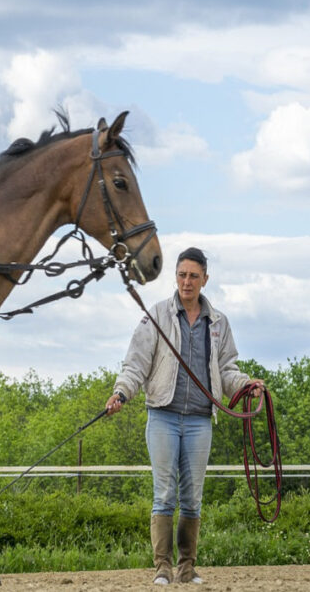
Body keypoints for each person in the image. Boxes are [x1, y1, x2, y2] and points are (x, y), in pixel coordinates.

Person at [105, 247, 263, 585]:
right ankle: (162, 566)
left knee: (192, 497)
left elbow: (226, 369)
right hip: (162, 415)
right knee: (164, 493)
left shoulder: (218, 322)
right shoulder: (157, 316)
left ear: (205, 279)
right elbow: (136, 364)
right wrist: (121, 393)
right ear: (175, 277)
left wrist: (247, 385)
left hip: (199, 420)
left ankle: (187, 567)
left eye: (193, 275)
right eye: (181, 275)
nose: (186, 281)